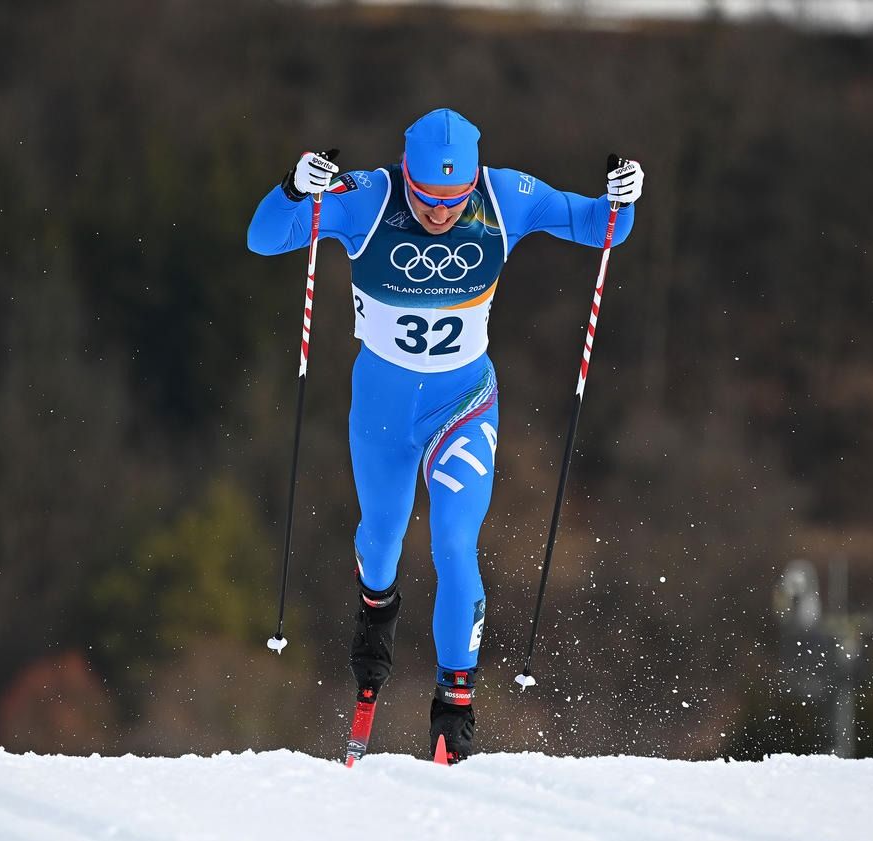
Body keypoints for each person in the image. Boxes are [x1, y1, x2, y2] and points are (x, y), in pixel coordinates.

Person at [247, 108, 643, 763]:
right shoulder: (369, 198)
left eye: (453, 200)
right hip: (382, 413)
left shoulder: (504, 197)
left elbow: (601, 227)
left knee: (455, 543)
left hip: (464, 405)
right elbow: (265, 239)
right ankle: (375, 618)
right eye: (427, 198)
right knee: (381, 540)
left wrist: (623, 197)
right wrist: (293, 189)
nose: (439, 213)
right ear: (407, 175)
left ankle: (454, 711)